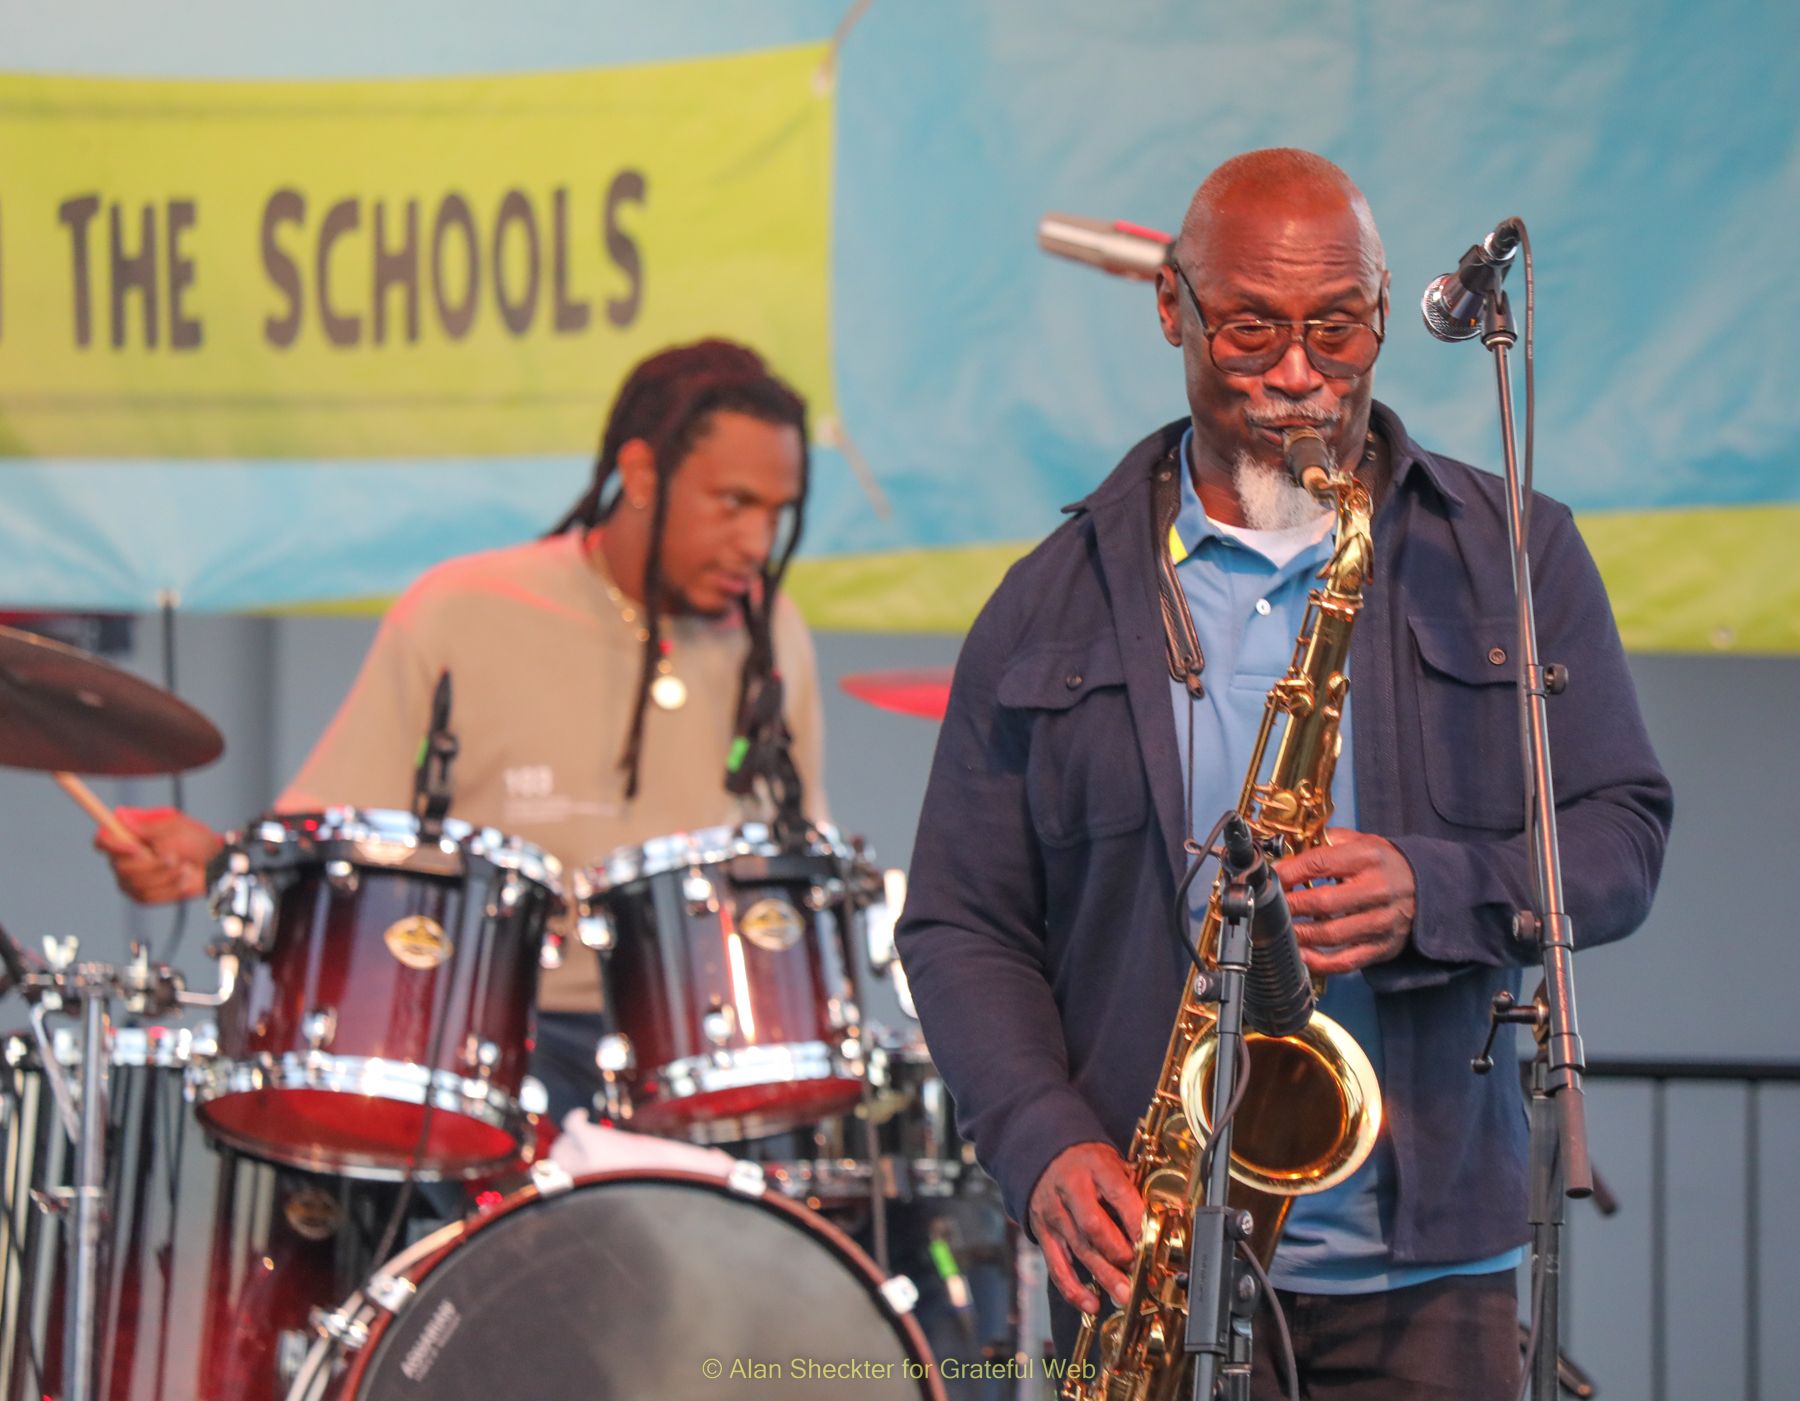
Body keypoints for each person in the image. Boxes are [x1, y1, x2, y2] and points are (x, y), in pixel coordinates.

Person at [895, 149, 1672, 1400]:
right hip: (1154, 1268)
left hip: (1431, 1271)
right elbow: (959, 923)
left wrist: (1439, 888)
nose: (1301, 373)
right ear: (1172, 308)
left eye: (1339, 327)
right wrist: (1041, 1143)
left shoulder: (1515, 552)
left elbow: (1622, 837)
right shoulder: (1048, 605)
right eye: (1253, 326)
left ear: (1379, 313)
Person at [97, 337, 828, 1122]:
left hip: (702, 1057)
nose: (757, 543)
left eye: (777, 514)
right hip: (498, 1043)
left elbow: (797, 863)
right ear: (644, 473)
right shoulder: (465, 609)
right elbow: (331, 834)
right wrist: (216, 860)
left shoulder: (772, 634)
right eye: (734, 502)